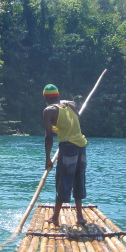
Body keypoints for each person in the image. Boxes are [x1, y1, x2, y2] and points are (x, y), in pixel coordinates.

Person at [42, 84, 88, 226]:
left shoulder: (49, 110)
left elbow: (48, 136)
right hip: (81, 145)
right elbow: (76, 122)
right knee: (78, 178)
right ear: (58, 95)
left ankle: (55, 217)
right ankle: (80, 217)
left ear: (44, 98)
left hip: (68, 148)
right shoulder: (72, 104)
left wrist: (48, 158)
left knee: (63, 179)